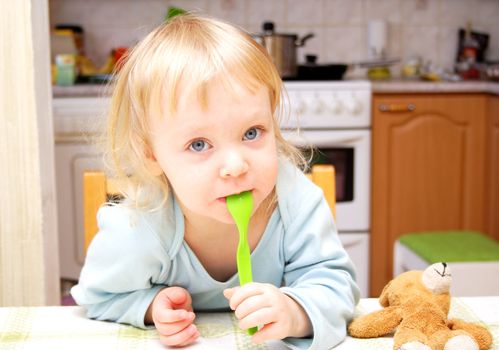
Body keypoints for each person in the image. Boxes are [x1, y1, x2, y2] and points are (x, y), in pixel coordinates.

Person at [71, 13, 360, 350]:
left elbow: (336, 285)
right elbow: (98, 295)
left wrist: (296, 311)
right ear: (152, 155)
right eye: (198, 144)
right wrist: (150, 307)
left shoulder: (294, 200)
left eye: (252, 133)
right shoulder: (140, 227)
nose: (235, 166)